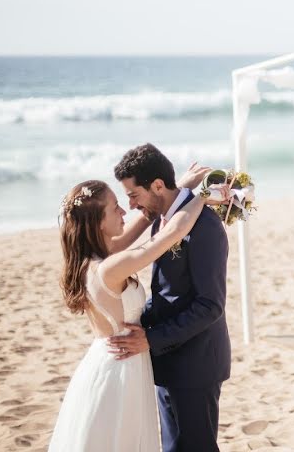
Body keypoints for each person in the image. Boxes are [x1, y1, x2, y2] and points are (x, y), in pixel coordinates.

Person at [48, 161, 225, 452]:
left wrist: (171, 191)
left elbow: (140, 224)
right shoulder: (110, 267)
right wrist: (200, 195)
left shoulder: (90, 259)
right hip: (121, 367)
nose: (125, 211)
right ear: (99, 223)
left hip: (108, 360)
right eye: (115, 207)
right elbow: (170, 234)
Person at [108, 143, 232, 452]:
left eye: (133, 195)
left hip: (196, 363)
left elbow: (210, 305)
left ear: (158, 186)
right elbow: (167, 292)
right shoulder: (164, 222)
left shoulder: (204, 225)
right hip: (168, 360)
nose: (133, 206)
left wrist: (151, 339)